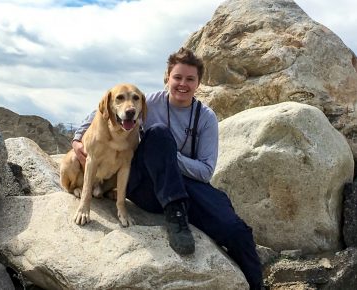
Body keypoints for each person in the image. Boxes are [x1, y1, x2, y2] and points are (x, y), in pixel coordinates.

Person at [72, 48, 263, 289]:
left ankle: (257, 285)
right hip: (146, 185)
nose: (182, 84)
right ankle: (175, 218)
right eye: (177, 77)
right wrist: (78, 139)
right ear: (167, 78)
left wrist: (171, 157)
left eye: (190, 79)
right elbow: (101, 110)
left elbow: (205, 172)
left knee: (236, 230)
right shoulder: (146, 101)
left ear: (198, 83)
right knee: (159, 133)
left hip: (185, 185)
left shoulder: (205, 118)